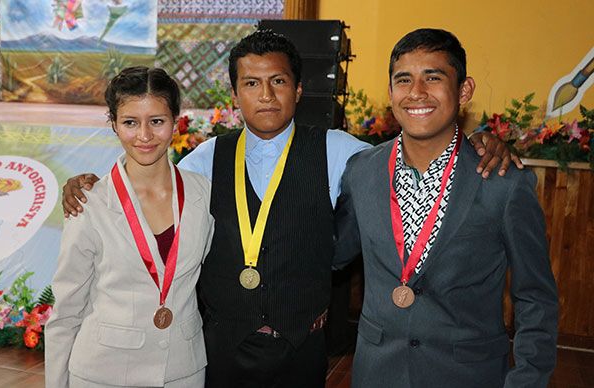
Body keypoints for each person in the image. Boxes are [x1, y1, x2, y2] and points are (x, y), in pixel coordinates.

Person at [60, 30, 520, 388]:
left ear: (298, 90)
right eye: (252, 83)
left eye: (278, 81)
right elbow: (144, 178)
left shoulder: (342, 152)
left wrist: (477, 143)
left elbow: (415, 158)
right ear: (235, 93)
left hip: (301, 347)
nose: (265, 95)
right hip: (219, 348)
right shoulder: (201, 160)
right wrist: (86, 184)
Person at [333, 28, 558, 388]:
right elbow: (332, 252)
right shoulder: (362, 171)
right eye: (403, 80)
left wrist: (527, 381)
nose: (416, 93)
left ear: (464, 90)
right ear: (390, 92)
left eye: (433, 78)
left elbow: (536, 298)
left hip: (467, 375)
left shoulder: (503, 182)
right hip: (377, 373)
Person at [46, 67, 214, 388]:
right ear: (113, 124)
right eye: (130, 122)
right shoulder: (89, 202)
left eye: (157, 121)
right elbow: (67, 311)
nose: (144, 136)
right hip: (103, 373)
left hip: (183, 369)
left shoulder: (203, 194)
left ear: (177, 121)